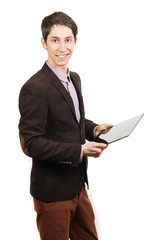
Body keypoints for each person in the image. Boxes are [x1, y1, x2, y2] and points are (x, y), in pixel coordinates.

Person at [18, 11, 113, 240]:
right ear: (44, 43)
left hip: (78, 186)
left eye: (68, 40)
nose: (62, 48)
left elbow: (73, 119)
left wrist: (93, 129)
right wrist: (80, 150)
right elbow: (31, 144)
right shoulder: (35, 88)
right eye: (55, 40)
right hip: (52, 193)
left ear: (75, 41)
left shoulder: (75, 78)